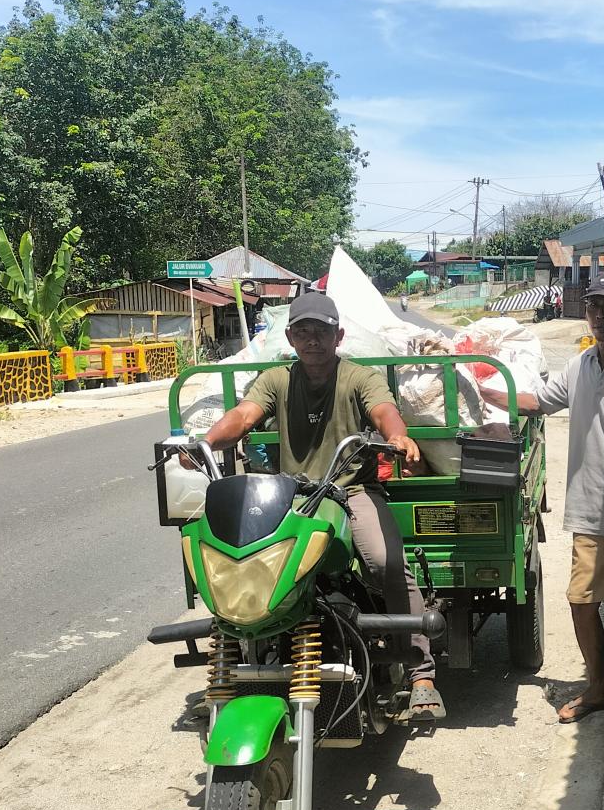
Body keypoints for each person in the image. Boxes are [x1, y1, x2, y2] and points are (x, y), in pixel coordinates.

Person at [190, 292, 444, 721]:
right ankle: (229, 674)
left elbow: (383, 410)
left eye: (321, 332)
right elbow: (245, 415)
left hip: (351, 492)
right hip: (294, 496)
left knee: (384, 561)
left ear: (337, 335)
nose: (312, 340)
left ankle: (421, 672)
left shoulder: (359, 377)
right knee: (238, 563)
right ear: (290, 336)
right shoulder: (276, 380)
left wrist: (398, 436)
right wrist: (208, 442)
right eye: (303, 331)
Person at [480, 271, 604, 726]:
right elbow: (537, 402)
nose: (599, 313)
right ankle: (599, 687)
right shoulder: (580, 366)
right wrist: (479, 387)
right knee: (581, 600)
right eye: (593, 304)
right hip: (589, 511)